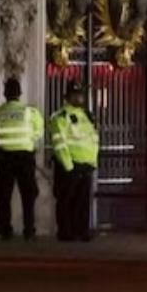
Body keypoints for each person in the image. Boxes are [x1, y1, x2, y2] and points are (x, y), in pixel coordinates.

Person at [0, 77, 44, 240]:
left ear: (5, 94)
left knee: (3, 196)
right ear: (20, 93)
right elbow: (39, 132)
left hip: (4, 158)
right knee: (28, 196)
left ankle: (5, 230)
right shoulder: (30, 112)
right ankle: (29, 230)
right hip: (25, 157)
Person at [49, 81, 99, 242]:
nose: (79, 97)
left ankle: (82, 231)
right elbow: (59, 143)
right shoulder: (60, 116)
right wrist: (69, 166)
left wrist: (93, 162)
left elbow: (93, 139)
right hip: (70, 166)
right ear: (67, 97)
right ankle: (66, 233)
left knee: (83, 202)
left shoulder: (87, 116)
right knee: (66, 201)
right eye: (75, 94)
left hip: (86, 165)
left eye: (80, 94)